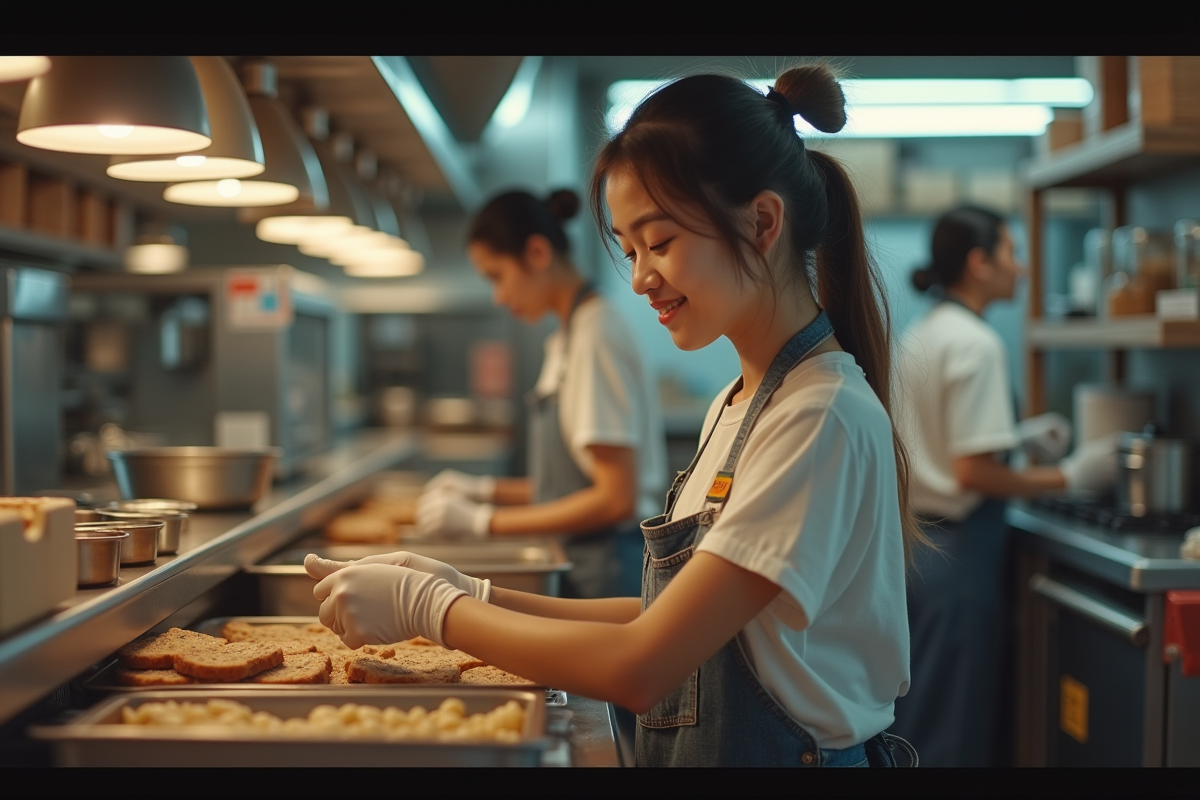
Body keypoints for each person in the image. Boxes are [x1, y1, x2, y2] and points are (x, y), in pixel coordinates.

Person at [305, 64, 922, 767]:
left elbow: (640, 665)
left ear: (761, 222)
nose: (639, 278)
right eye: (629, 250)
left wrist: (433, 612)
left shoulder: (819, 416)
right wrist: (469, 589)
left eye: (659, 243)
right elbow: (667, 618)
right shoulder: (741, 402)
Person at [888, 205, 1119, 766]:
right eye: (1013, 254)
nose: (1023, 270)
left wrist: (1013, 435)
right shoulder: (976, 344)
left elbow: (935, 445)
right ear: (979, 263)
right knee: (953, 728)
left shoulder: (924, 332)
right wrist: (1070, 474)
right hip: (960, 558)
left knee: (921, 719)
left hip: (917, 549)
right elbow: (972, 473)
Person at [415, 188, 666, 599]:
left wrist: (483, 521)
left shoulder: (595, 334)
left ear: (536, 253)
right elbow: (567, 486)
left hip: (605, 567)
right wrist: (484, 490)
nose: (498, 296)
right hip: (580, 557)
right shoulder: (568, 337)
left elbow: (615, 498)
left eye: (497, 276)